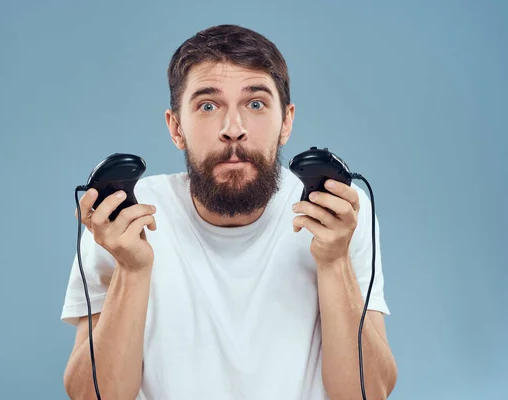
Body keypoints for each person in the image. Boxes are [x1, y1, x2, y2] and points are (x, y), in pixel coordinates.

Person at [61, 24, 398, 400]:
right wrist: (131, 269)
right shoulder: (125, 219)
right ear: (176, 128)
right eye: (208, 105)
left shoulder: (338, 213)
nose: (233, 129)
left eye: (255, 104)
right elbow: (90, 396)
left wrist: (335, 263)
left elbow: (369, 393)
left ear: (286, 122)